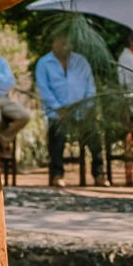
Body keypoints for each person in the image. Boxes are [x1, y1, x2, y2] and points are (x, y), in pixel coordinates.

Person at [37, 32, 98, 187]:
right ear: (54, 43)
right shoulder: (44, 63)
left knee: (94, 134)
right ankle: (57, 175)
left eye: (68, 42)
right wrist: (59, 108)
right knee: (57, 136)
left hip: (82, 111)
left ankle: (99, 173)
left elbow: (91, 88)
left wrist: (84, 108)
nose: (65, 46)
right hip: (56, 112)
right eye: (61, 42)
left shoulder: (81, 61)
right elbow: (44, 90)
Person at [0, 53, 31, 159]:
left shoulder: (0, 61)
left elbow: (9, 82)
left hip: (3, 98)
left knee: (24, 116)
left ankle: (2, 140)